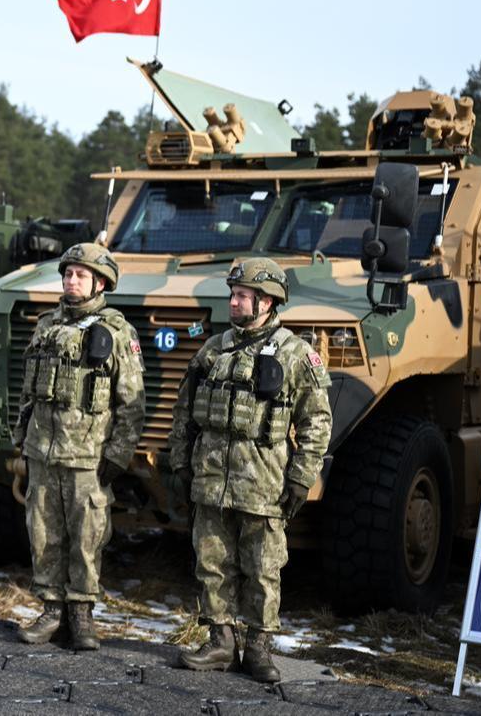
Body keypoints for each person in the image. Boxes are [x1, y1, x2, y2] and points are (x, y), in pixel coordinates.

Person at [169, 257, 331, 682]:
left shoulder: (297, 354)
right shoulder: (213, 349)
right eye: (233, 295)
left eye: (242, 296)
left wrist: (301, 477)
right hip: (210, 480)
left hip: (264, 482)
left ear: (267, 302)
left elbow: (317, 422)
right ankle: (221, 642)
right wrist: (180, 463)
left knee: (263, 567)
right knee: (212, 562)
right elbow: (184, 411)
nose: (234, 302)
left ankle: (258, 648)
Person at [12, 243, 145, 650]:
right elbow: (28, 392)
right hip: (43, 452)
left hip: (88, 456)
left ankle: (82, 615)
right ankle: (52, 610)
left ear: (100, 282)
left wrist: (118, 455)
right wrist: (21, 440)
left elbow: (132, 401)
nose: (71, 281)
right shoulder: (46, 325)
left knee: (87, 538)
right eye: (68, 274)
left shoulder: (118, 331)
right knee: (43, 533)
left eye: (81, 275)